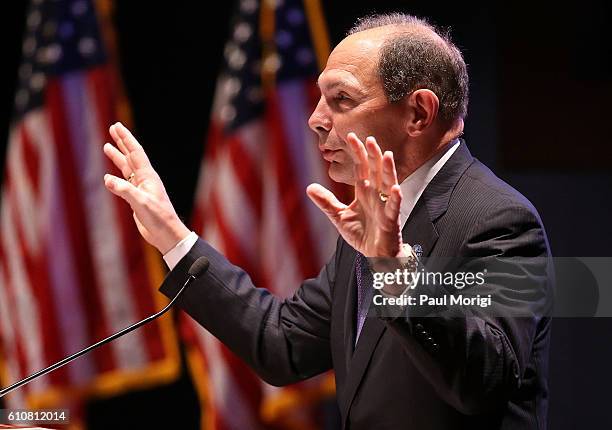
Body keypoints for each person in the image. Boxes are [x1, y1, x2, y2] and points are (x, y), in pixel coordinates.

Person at [102, 13, 553, 430]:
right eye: (321, 98)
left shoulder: (499, 220)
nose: (316, 119)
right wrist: (173, 236)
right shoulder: (372, 223)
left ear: (418, 112)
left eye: (342, 99)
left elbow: (484, 383)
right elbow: (280, 344)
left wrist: (393, 267)